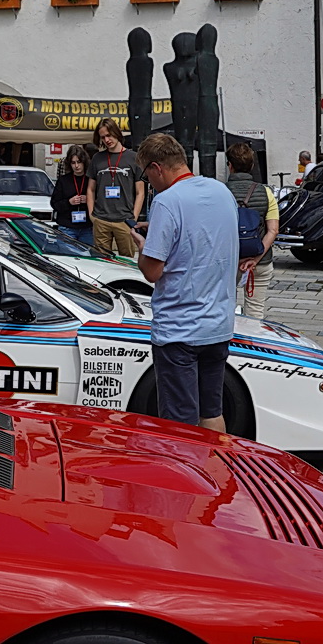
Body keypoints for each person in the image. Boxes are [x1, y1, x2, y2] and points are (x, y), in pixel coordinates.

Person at [136, 132, 241, 431]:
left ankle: (186, 476)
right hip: (218, 324)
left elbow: (153, 271)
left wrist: (143, 247)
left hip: (179, 329)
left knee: (179, 425)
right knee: (212, 411)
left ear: (157, 167)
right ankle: (213, 472)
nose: (148, 182)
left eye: (146, 175)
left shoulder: (167, 202)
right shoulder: (222, 192)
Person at [224, 141, 280, 319]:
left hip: (228, 262)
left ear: (230, 165)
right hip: (260, 262)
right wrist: (255, 259)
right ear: (252, 166)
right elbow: (273, 230)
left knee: (224, 309)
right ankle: (252, 343)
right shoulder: (266, 192)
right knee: (255, 312)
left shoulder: (219, 192)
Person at [86, 116, 145, 258]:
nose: (107, 140)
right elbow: (90, 189)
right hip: (101, 219)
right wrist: (92, 214)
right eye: (103, 137)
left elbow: (140, 192)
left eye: (109, 135)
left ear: (116, 133)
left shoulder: (133, 158)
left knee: (127, 261)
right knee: (101, 261)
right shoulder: (97, 158)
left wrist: (133, 218)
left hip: (124, 220)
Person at [51, 145, 94, 244]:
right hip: (67, 227)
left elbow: (100, 202)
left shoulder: (91, 180)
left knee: (87, 256)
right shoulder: (63, 180)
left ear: (84, 162)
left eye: (79, 162)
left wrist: (89, 200)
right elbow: (54, 204)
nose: (76, 166)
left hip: (87, 227)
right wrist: (69, 202)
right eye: (73, 163)